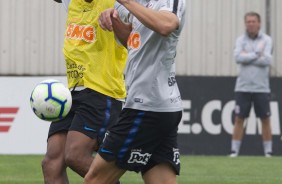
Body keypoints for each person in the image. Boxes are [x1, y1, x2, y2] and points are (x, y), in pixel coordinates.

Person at [84, 0, 186, 183]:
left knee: (94, 180)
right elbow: (133, 41)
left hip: (145, 108)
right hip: (157, 108)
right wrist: (114, 21)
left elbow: (166, 25)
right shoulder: (141, 4)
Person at [41, 0, 127, 183]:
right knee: (51, 163)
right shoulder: (72, 2)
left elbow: (133, 35)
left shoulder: (115, 5)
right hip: (70, 95)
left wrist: (117, 20)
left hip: (102, 93)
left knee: (75, 155)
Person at [230, 12, 273, 157]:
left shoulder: (266, 40)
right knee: (239, 119)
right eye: (248, 21)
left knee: (265, 119)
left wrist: (247, 55)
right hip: (243, 87)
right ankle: (234, 151)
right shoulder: (240, 40)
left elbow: (267, 60)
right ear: (245, 23)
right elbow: (237, 57)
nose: (251, 24)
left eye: (253, 21)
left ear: (259, 23)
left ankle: (268, 152)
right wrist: (256, 54)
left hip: (261, 88)